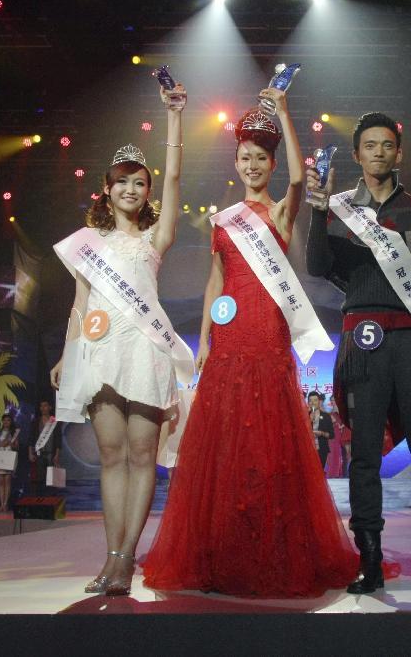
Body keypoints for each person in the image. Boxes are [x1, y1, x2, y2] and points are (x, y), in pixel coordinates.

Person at [143, 90, 358, 598]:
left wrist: (284, 110)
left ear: (270, 162)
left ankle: (272, 548)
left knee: (269, 440)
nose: (253, 164)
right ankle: (221, 551)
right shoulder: (222, 220)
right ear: (236, 162)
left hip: (268, 332)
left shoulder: (282, 213)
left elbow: (303, 178)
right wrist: (203, 341)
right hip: (230, 335)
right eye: (245, 157)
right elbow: (214, 285)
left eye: (262, 157)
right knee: (222, 445)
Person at [306, 111, 411, 593]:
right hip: (362, 341)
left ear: (398, 153)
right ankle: (370, 560)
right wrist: (317, 212)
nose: (378, 152)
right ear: (356, 154)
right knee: (362, 457)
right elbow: (317, 267)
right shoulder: (337, 208)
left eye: (386, 145)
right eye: (369, 146)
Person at [50, 80, 190, 596]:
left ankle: (128, 559)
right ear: (106, 189)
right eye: (121, 182)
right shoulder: (88, 244)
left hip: (146, 352)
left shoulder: (158, 235)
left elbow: (175, 175)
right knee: (111, 456)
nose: (131, 189)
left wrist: (175, 117)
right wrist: (69, 354)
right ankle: (110, 558)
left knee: (139, 455)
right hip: (101, 352)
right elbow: (80, 303)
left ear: (148, 191)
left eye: (140, 182)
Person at [28, 401, 61, 496]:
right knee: (40, 479)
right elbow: (31, 438)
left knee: (52, 480)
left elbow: (58, 439)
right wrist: (30, 453)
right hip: (39, 454)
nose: (43, 408)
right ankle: (41, 501)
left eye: (45, 405)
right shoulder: (35, 421)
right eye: (41, 406)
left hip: (51, 453)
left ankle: (52, 501)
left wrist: (57, 454)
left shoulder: (54, 421)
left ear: (50, 407)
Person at [0, 413, 19, 511]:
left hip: (9, 457)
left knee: (7, 480)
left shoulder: (14, 433)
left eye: (8, 420)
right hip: (0, 457)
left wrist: (11, 444)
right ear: (2, 421)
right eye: (5, 420)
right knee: (1, 481)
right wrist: (1, 444)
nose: (6, 422)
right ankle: (1, 504)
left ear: (11, 422)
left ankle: (5, 503)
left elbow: (17, 447)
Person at [308, 391, 334, 471]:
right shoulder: (304, 415)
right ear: (308, 402)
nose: (313, 403)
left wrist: (322, 433)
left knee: (319, 472)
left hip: (322, 448)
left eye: (315, 400)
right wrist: (309, 421)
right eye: (310, 400)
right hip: (307, 449)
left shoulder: (326, 416)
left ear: (319, 401)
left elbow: (332, 435)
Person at [330, 395, 352, 477]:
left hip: (346, 434)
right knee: (340, 456)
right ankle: (342, 474)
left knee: (348, 455)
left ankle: (350, 474)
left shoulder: (344, 411)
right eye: (331, 400)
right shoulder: (332, 413)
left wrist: (341, 425)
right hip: (337, 437)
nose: (332, 402)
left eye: (334, 400)